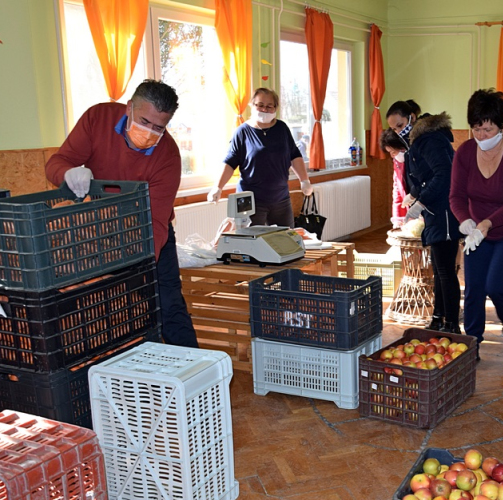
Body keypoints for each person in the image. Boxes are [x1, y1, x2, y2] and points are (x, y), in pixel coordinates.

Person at [45, 79, 198, 348]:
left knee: (168, 304)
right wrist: (67, 174)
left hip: (148, 230)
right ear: (129, 108)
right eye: (144, 121)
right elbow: (57, 162)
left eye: (158, 127)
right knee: (105, 310)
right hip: (97, 226)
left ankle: (193, 375)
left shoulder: (168, 156)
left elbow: (156, 223)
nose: (149, 132)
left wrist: (138, 269)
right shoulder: (98, 118)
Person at [449, 89, 503, 356]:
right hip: (477, 231)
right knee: (473, 289)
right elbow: (456, 195)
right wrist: (465, 222)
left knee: (496, 286)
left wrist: (485, 224)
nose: (481, 136)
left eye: (487, 129)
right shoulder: (464, 152)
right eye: (476, 129)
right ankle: (471, 346)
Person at [386, 100, 462, 334]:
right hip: (435, 213)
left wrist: (420, 202)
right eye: (395, 129)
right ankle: (439, 318)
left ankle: (451, 325)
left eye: (400, 125)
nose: (399, 132)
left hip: (445, 213)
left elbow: (445, 175)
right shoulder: (417, 142)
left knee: (446, 272)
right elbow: (423, 177)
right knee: (439, 270)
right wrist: (413, 193)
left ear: (411, 117)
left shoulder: (430, 139)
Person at [208, 88, 313, 226]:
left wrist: (304, 180)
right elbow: (230, 162)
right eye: (260, 105)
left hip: (280, 199)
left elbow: (294, 155)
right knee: (252, 244)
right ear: (252, 105)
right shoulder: (242, 132)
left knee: (285, 242)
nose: (264, 109)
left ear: (276, 108)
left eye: (269, 106)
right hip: (250, 202)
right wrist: (218, 187)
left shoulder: (282, 128)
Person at [379, 128, 408, 228]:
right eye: (389, 153)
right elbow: (397, 191)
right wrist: (397, 218)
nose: (392, 156)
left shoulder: (416, 159)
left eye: (393, 152)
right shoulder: (397, 162)